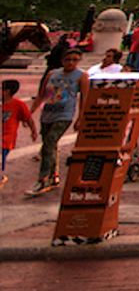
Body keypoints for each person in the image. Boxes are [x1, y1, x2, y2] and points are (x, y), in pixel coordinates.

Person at [27, 48, 88, 196]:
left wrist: (81, 118)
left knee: (49, 143)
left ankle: (42, 179)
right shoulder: (52, 74)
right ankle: (54, 177)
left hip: (64, 115)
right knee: (50, 145)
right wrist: (30, 113)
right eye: (68, 59)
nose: (71, 63)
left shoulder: (82, 76)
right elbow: (41, 94)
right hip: (47, 113)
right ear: (62, 60)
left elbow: (84, 99)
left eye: (75, 60)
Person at [2, 78, 38, 189]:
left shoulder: (18, 104)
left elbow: (28, 119)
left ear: (7, 91)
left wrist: (34, 131)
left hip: (7, 139)